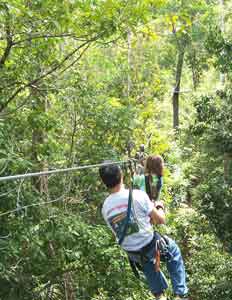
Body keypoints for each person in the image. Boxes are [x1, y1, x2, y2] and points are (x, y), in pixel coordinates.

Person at [99, 163, 188, 300]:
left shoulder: (105, 208)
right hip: (150, 244)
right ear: (121, 176)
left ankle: (159, 295)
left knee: (146, 260)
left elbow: (118, 229)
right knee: (173, 251)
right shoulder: (137, 196)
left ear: (104, 182)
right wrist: (159, 206)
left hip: (132, 251)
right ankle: (179, 294)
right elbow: (160, 220)